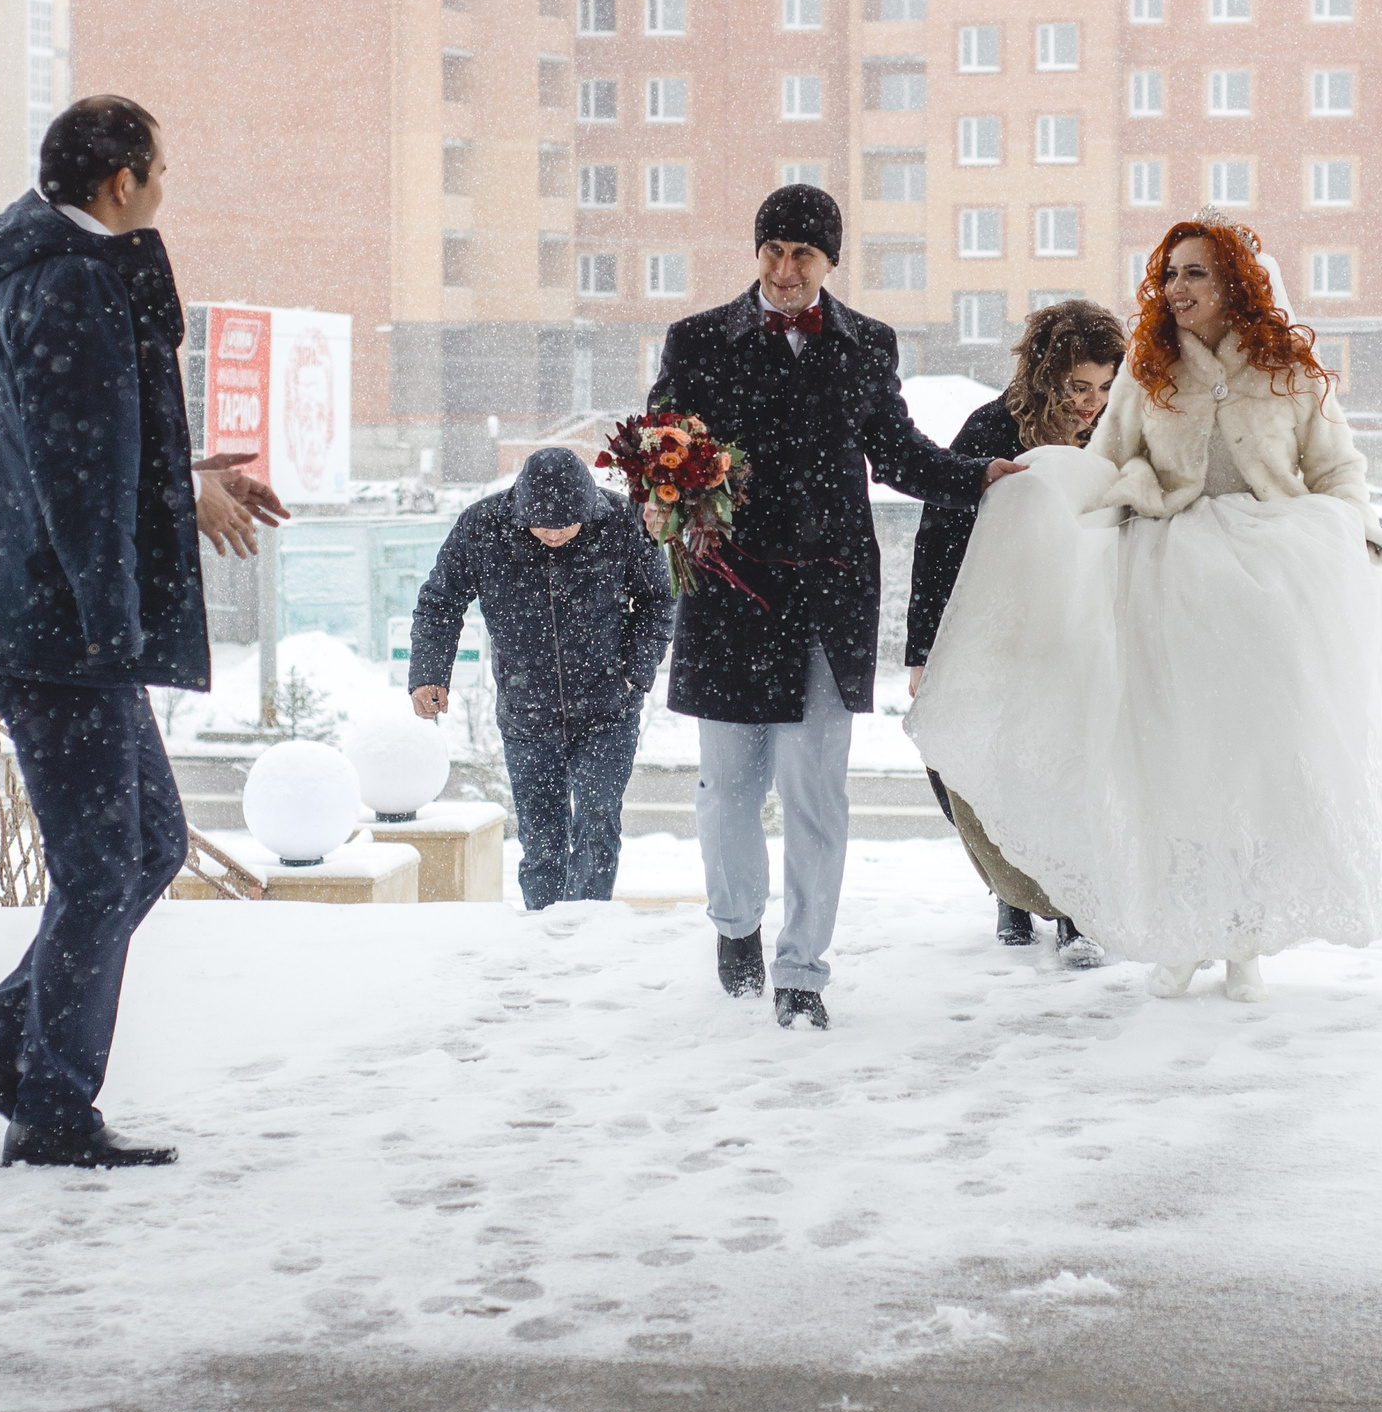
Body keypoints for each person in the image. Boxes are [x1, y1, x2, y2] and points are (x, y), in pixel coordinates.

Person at [905, 215, 1382, 1003]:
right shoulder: (1148, 369)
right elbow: (1110, 459)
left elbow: (1336, 468)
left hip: (1268, 586)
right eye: (1171, 273)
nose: (1177, 288)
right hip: (1168, 582)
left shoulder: (1291, 369)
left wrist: (1357, 536)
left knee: (1255, 765)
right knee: (1175, 768)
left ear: (1236, 285)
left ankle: (1244, 938)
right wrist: (1043, 490)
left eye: (1196, 274)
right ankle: (1188, 934)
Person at [0, 95, 287, 1168]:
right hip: (57, 631)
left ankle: (5, 1050)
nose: (164, 189)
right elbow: (79, 481)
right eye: (159, 172)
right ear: (120, 182)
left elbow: (86, 446)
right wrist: (158, 546)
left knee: (151, 845)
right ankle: (52, 1109)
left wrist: (185, 477)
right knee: (100, 866)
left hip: (50, 619)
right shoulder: (73, 286)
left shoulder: (48, 273)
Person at [649, 184, 1023, 1028]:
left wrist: (978, 475)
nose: (786, 271)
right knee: (727, 789)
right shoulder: (698, 340)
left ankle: (803, 971)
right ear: (756, 254)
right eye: (773, 252)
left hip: (825, 598)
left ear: (830, 262)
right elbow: (661, 443)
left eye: (803, 255)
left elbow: (896, 452)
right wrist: (663, 490)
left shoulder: (865, 346)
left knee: (816, 793)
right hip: (730, 595)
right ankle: (736, 924)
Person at [902, 299, 1128, 961]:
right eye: (1078, 388)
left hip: (1083, 626)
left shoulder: (1116, 430)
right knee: (986, 762)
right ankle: (1011, 888)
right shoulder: (991, 428)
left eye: (1105, 388)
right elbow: (938, 539)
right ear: (1045, 375)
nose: (1092, 404)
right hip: (1000, 626)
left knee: (1076, 764)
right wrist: (924, 649)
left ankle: (1077, 909)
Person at [407, 447, 674, 911]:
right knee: (542, 838)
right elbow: (440, 602)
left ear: (587, 510)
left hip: (609, 708)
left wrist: (634, 672)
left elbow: (658, 601)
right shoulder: (482, 526)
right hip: (526, 712)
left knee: (597, 822)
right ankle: (544, 931)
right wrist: (430, 673)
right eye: (542, 524)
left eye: (565, 524)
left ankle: (587, 929)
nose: (553, 533)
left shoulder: (622, 521)